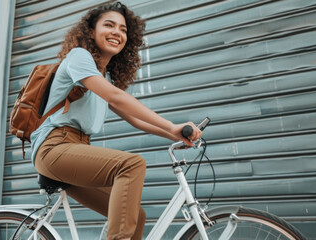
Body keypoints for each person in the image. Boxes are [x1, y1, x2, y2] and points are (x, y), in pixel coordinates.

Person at [31, 2, 202, 240]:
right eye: (109, 25)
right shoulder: (79, 57)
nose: (117, 33)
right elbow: (116, 98)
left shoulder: (105, 77)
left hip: (76, 150)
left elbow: (134, 119)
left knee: (137, 217)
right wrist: (170, 125)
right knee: (131, 165)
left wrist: (174, 134)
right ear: (90, 31)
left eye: (123, 29)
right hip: (55, 148)